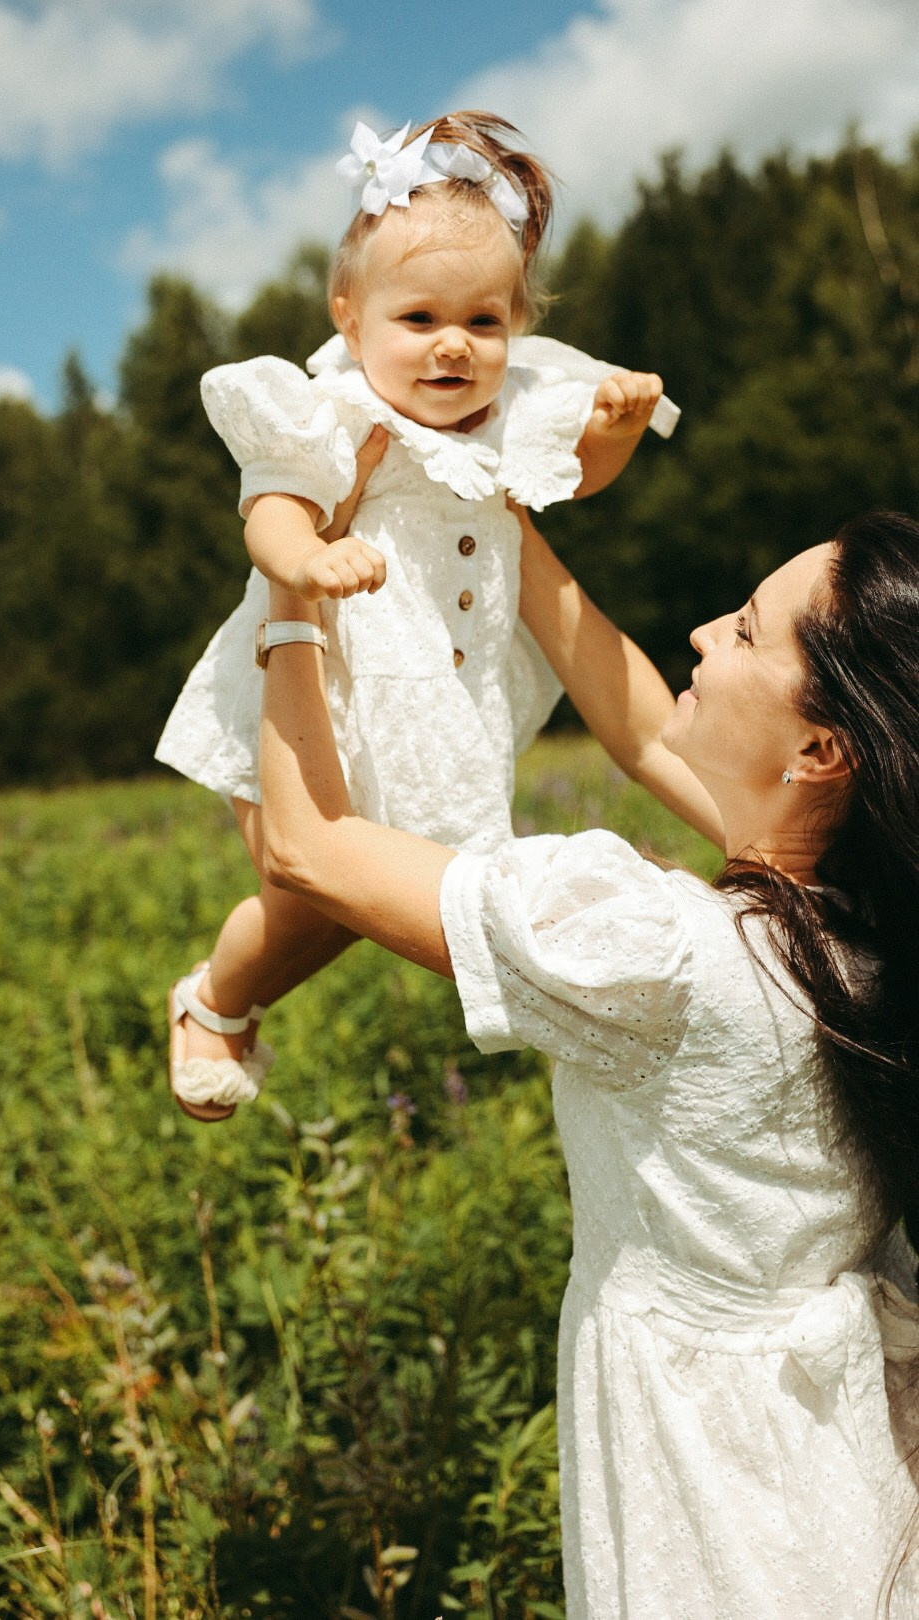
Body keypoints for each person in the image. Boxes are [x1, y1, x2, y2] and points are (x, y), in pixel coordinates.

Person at [253, 502, 919, 1617]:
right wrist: (506, 528)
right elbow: (646, 731)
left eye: (748, 631)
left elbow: (308, 848)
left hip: (707, 1477)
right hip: (831, 1451)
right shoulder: (863, 937)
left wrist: (287, 598)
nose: (705, 632)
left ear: (819, 750)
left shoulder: (667, 959)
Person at [155, 111, 678, 1119]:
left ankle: (243, 1003)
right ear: (349, 318)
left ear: (515, 328)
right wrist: (308, 554)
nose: (455, 347)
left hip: (435, 704)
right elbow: (269, 514)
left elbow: (574, 477)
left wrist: (613, 434)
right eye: (420, 320)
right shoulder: (334, 413)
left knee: (366, 902)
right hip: (308, 690)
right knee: (306, 887)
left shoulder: (514, 413)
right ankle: (213, 1001)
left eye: (484, 323)